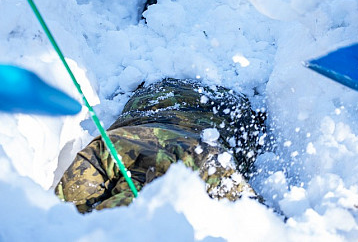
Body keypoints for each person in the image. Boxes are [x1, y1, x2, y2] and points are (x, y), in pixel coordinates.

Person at [55, 78, 266, 213]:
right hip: (154, 98)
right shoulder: (206, 173)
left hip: (220, 109)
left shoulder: (207, 174)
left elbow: (264, 223)